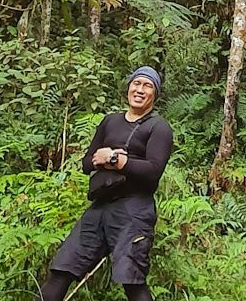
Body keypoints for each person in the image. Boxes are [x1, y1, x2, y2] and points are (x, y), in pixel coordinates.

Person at [35, 66, 174, 301]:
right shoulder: (110, 122)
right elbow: (88, 162)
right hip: (100, 207)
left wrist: (116, 160)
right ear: (128, 87)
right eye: (136, 84)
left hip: (134, 210)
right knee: (62, 269)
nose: (140, 90)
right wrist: (102, 159)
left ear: (155, 94)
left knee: (132, 280)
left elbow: (153, 170)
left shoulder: (158, 127)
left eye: (147, 86)